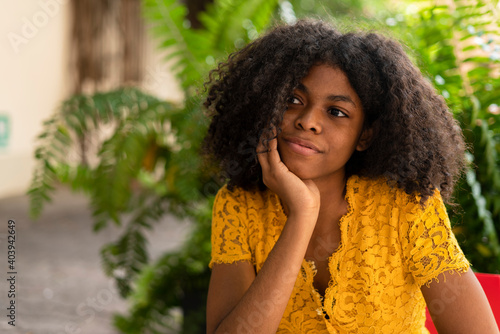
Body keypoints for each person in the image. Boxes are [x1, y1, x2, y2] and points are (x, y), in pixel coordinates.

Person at [202, 19, 499, 333]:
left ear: (365, 136)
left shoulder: (405, 207)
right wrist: (302, 215)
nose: (307, 121)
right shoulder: (238, 206)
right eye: (293, 100)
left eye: (336, 112)